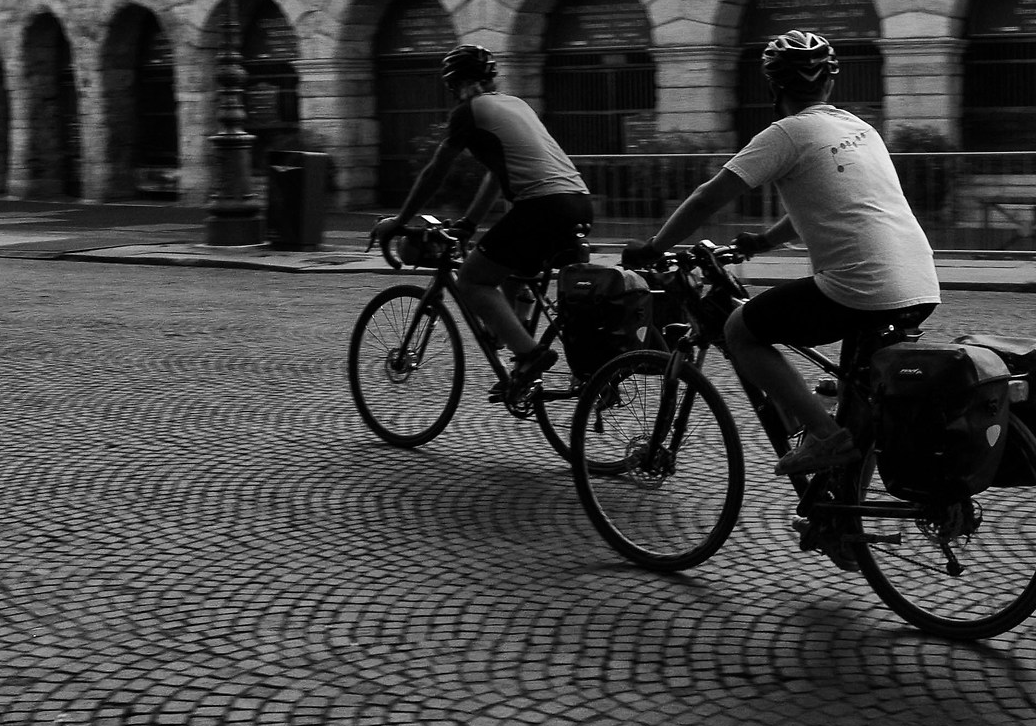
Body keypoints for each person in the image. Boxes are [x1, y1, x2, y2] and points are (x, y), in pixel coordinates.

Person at [633, 30, 940, 479]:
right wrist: (764, 242)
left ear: (773, 87)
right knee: (860, 405)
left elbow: (705, 198)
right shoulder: (860, 128)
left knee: (741, 329)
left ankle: (822, 434)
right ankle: (843, 520)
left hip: (861, 287)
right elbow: (832, 202)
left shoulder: (787, 133)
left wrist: (653, 247)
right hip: (920, 283)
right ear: (830, 84)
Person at [373, 44, 592, 397]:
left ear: (453, 85)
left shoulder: (468, 112)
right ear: (491, 77)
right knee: (512, 271)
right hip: (579, 203)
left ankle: (530, 355)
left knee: (472, 281)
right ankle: (518, 356)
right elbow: (494, 176)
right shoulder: (515, 104)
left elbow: (435, 171)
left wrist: (400, 220)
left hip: (542, 207)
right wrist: (470, 224)